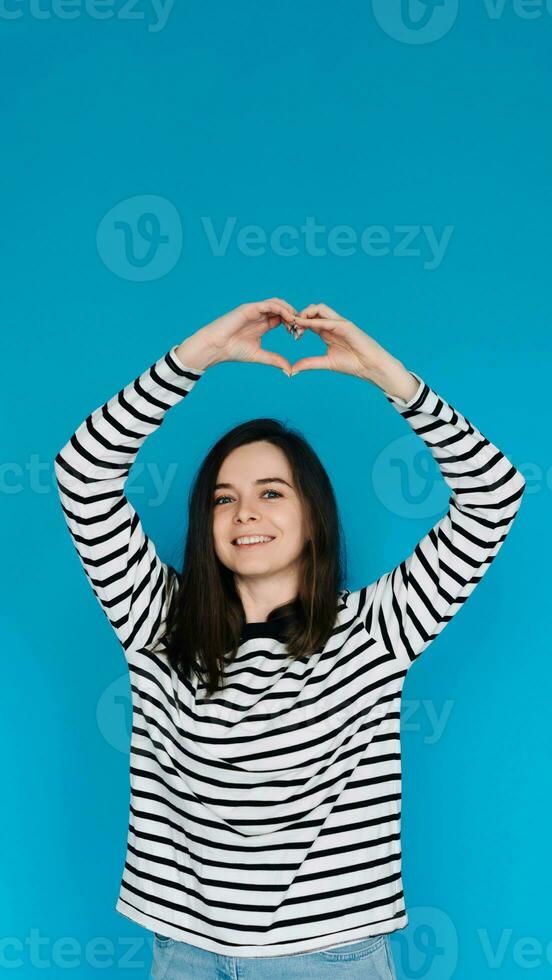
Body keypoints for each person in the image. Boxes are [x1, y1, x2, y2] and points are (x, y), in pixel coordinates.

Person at [54, 298, 525, 979]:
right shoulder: (154, 619)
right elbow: (82, 474)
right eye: (223, 497)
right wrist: (197, 357)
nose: (245, 511)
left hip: (331, 957)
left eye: (272, 492)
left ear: (313, 515)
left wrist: (389, 378)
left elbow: (492, 495)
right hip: (185, 954)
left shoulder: (376, 628)